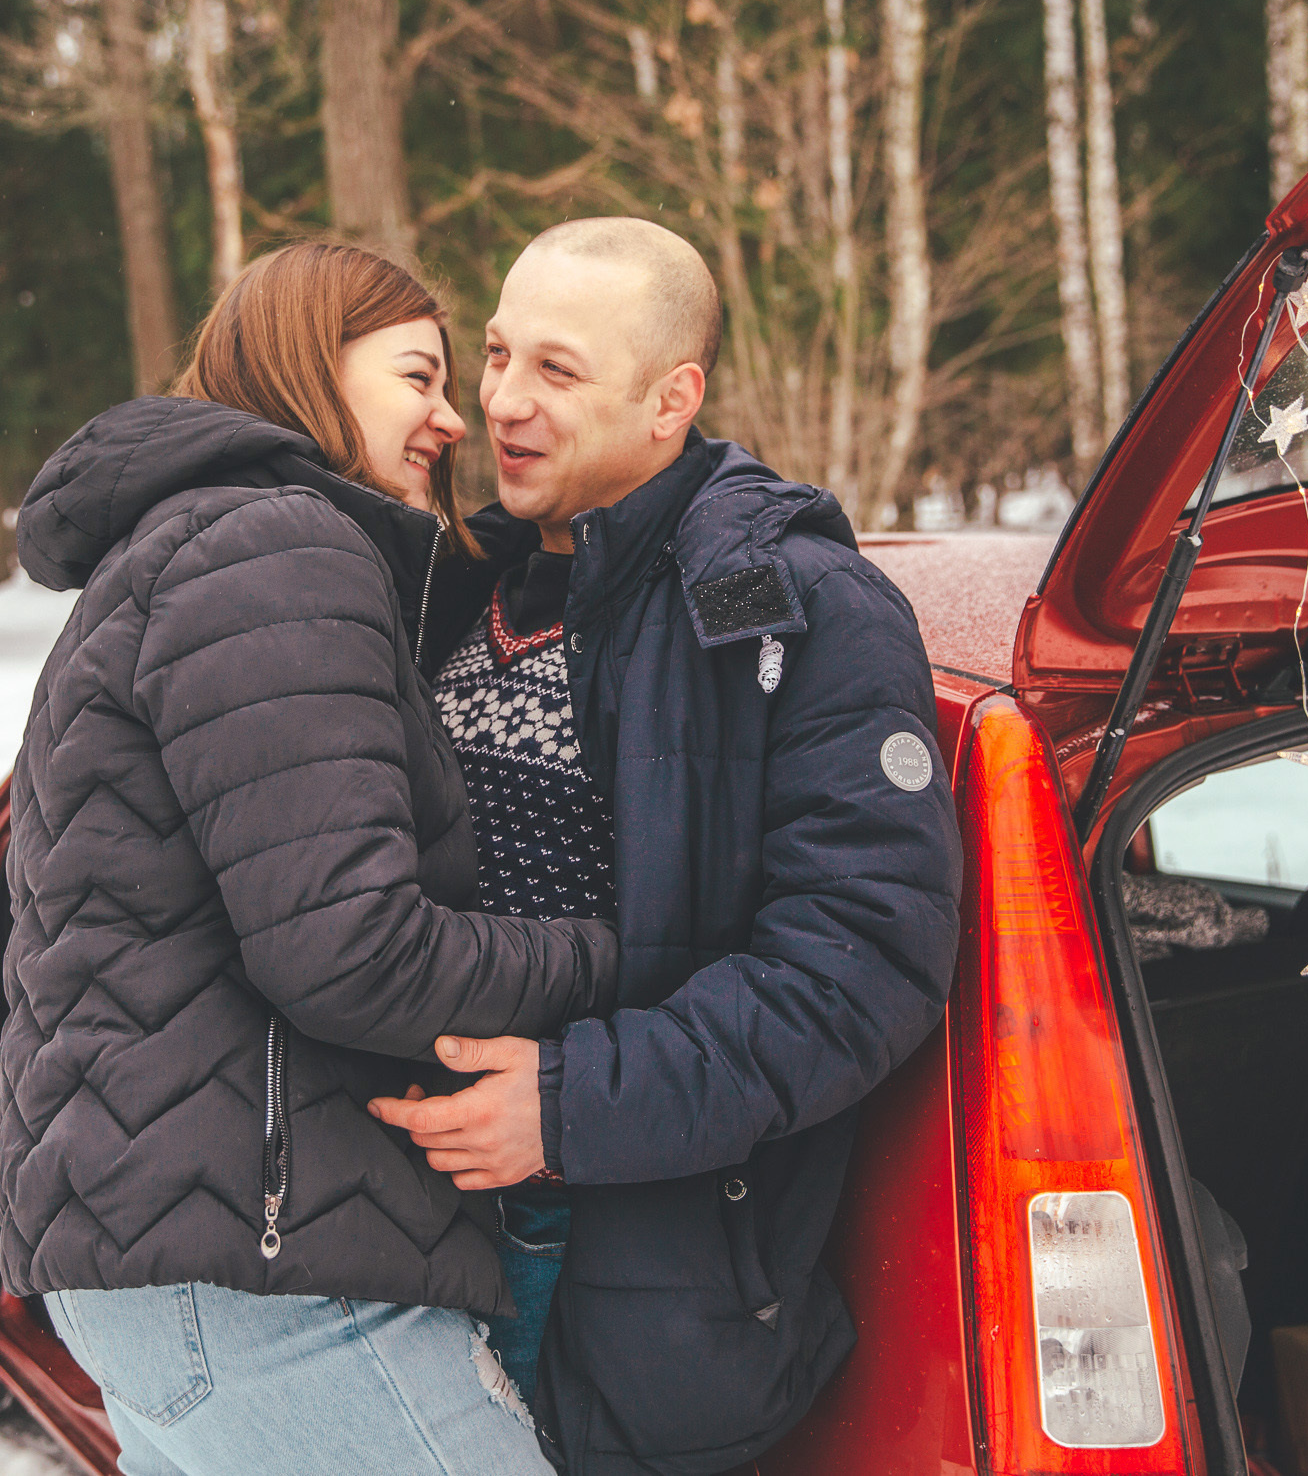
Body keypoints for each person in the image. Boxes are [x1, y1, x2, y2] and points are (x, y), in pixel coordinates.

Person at [0, 243, 620, 1476]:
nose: (453, 417)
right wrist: (622, 957)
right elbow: (349, 946)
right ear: (307, 365)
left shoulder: (186, 545)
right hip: (265, 1273)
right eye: (418, 375)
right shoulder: (275, 547)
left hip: (179, 1258)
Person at [369, 217, 964, 1472]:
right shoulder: (453, 581)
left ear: (670, 397)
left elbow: (860, 965)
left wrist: (568, 1107)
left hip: (629, 1281)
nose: (502, 404)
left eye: (559, 371)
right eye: (493, 355)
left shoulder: (798, 612)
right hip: (401, 1238)